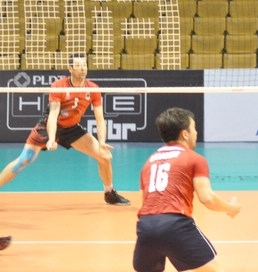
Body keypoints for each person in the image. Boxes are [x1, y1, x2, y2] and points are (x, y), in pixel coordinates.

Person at [0, 53, 130, 206]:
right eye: (78, 65)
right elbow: (53, 115)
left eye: (84, 65)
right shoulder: (59, 86)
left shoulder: (93, 89)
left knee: (104, 157)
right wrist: (51, 138)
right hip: (47, 127)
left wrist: (102, 142)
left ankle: (109, 193)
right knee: (23, 160)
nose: (83, 68)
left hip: (71, 128)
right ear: (70, 68)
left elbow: (100, 119)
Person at [133, 107, 241, 272]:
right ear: (185, 134)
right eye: (194, 128)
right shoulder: (194, 159)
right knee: (212, 269)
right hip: (175, 224)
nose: (196, 133)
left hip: (146, 226)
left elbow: (145, 202)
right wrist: (230, 208)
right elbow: (207, 198)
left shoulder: (149, 162)